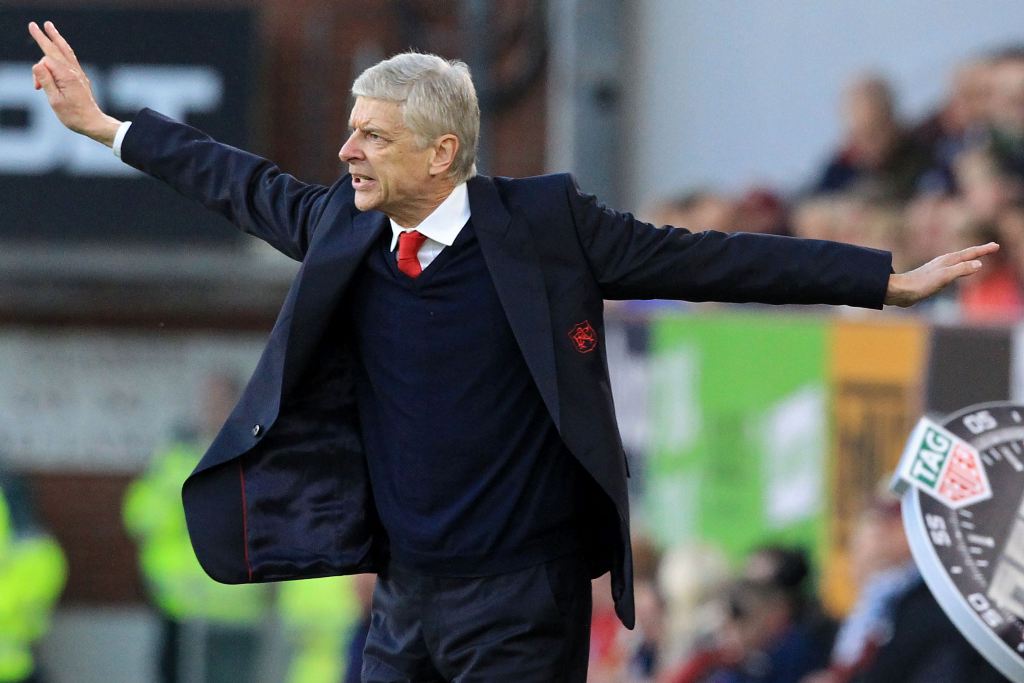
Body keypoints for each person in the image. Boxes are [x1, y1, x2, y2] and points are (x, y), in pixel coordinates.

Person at [28, 20, 1000, 682]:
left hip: (519, 596)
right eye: (349, 131)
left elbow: (711, 258)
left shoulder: (544, 227)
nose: (347, 151)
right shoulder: (344, 228)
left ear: (441, 152)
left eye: (371, 135)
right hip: (403, 595)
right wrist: (107, 125)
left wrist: (884, 278)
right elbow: (230, 178)